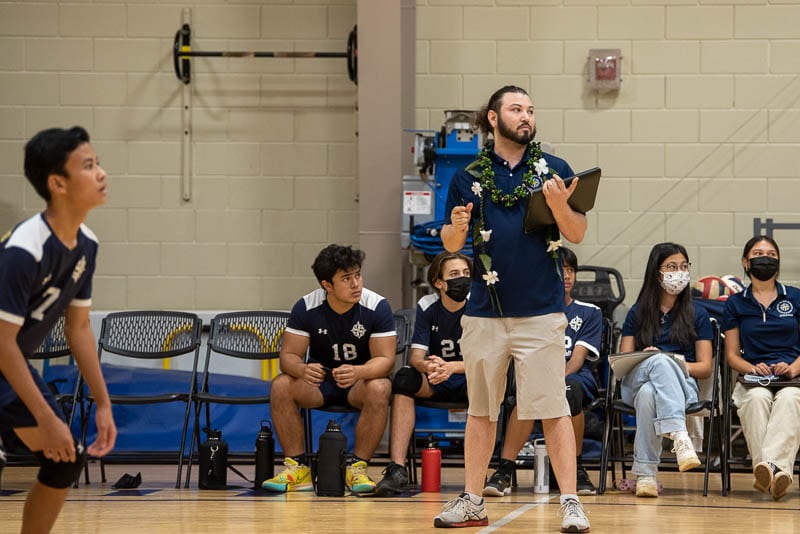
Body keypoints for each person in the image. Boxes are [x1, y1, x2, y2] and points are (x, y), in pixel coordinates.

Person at [434, 85, 590, 533]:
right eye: (516, 109)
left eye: (530, 110)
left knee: (552, 407)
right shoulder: (468, 176)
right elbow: (450, 245)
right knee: (481, 410)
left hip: (540, 312)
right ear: (493, 118)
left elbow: (576, 234)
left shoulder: (555, 170)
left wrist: (561, 205)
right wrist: (457, 228)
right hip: (484, 312)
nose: (526, 116)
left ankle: (570, 501)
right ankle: (472, 499)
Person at [0, 126, 117, 532]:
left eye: (98, 163)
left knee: (64, 459)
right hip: (4, 357)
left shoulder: (87, 244)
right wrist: (46, 417)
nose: (101, 172)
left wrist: (103, 402)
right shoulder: (24, 249)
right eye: (88, 166)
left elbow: (79, 328)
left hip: (6, 369)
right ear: (57, 183)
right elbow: (3, 343)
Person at [263, 244, 396, 494]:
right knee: (281, 384)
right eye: (346, 279)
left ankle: (357, 468)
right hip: (320, 382)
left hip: (360, 383)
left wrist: (359, 372)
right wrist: (302, 370)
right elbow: (288, 356)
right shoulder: (306, 306)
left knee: (381, 386)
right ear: (327, 285)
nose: (356, 283)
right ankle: (297, 467)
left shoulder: (377, 306)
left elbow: (386, 360)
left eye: (357, 274)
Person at [484, 247, 602, 497]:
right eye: (562, 269)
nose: (567, 275)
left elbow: (577, 360)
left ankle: (576, 468)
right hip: (535, 374)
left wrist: (551, 381)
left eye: (571, 270)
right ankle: (504, 470)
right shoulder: (532, 312)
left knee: (569, 393)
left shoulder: (590, 312)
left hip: (573, 377)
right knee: (528, 395)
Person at [618, 242, 712, 498]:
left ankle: (646, 474)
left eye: (683, 266)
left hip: (682, 387)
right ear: (656, 272)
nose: (679, 272)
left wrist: (672, 362)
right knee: (656, 364)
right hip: (634, 382)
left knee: (651, 391)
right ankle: (680, 435)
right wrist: (650, 360)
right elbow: (623, 362)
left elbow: (705, 367)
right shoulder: (637, 312)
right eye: (671, 267)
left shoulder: (698, 314)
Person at [374, 251, 472, 497]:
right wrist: (430, 367)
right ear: (439, 283)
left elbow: (491, 359)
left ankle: (484, 470)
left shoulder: (479, 304)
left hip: (472, 378)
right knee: (405, 378)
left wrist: (453, 367)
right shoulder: (427, 306)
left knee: (495, 381)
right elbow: (416, 357)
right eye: (454, 274)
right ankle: (397, 469)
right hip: (437, 377)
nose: (462, 279)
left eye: (466, 274)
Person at [721, 235, 800, 501]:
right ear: (746, 262)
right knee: (755, 399)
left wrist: (791, 368)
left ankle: (767, 469)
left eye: (771, 254)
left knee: (790, 399)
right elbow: (732, 355)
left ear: (778, 262)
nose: (765, 258)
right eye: (758, 253)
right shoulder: (735, 304)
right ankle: (779, 473)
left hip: (793, 377)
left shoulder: (796, 297)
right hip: (754, 378)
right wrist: (753, 367)